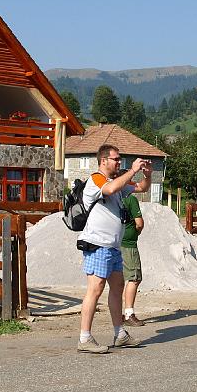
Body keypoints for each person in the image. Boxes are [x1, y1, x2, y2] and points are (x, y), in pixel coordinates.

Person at [76, 145, 152, 354]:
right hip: (97, 243)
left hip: (113, 245)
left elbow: (142, 188)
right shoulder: (97, 179)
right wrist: (133, 170)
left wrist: (148, 174)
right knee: (96, 287)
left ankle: (119, 334)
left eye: (120, 160)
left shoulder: (117, 183)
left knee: (117, 287)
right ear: (103, 161)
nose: (119, 162)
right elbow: (109, 190)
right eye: (116, 159)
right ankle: (85, 337)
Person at [120, 192, 145, 326]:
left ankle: (118, 314)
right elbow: (139, 223)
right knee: (134, 278)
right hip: (128, 245)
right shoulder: (130, 199)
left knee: (117, 281)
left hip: (114, 242)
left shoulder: (113, 198)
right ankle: (129, 313)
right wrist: (136, 232)